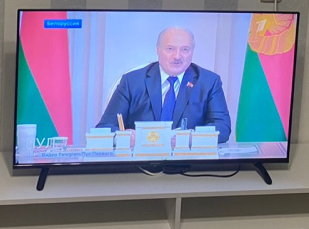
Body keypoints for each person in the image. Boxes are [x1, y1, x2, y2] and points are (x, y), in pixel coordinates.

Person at [97, 26, 231, 144]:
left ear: (192, 51)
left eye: (185, 49)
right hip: (140, 160)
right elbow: (104, 128)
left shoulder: (209, 82)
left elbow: (222, 128)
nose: (177, 56)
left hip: (188, 160)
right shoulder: (131, 81)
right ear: (158, 49)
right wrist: (124, 138)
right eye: (170, 49)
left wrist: (191, 138)